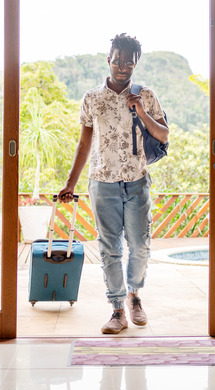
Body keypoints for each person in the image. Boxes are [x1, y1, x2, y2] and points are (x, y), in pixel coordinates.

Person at [58, 33, 169, 334]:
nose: (122, 67)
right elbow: (84, 144)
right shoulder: (92, 98)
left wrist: (142, 112)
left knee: (140, 246)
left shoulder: (145, 94)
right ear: (108, 60)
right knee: (109, 249)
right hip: (102, 183)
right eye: (117, 61)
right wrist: (70, 183)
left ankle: (135, 294)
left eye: (128, 62)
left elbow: (163, 135)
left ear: (135, 63)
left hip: (136, 181)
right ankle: (118, 309)